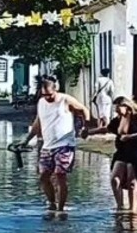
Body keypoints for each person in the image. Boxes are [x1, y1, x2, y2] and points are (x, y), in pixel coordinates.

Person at [13, 75, 90, 213]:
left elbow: (84, 110)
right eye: (44, 95)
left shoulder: (65, 100)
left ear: (56, 90)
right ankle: (51, 203)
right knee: (43, 176)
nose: (48, 97)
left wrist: (85, 127)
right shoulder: (41, 103)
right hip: (47, 145)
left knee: (60, 174)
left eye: (50, 94)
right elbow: (38, 122)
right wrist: (27, 139)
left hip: (65, 144)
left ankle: (61, 209)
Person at [86, 96, 137, 212]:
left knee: (132, 183)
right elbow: (106, 129)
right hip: (122, 152)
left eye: (118, 107)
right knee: (115, 180)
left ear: (126, 107)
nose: (115, 110)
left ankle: (133, 211)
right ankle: (120, 208)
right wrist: (89, 132)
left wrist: (130, 136)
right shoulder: (118, 119)